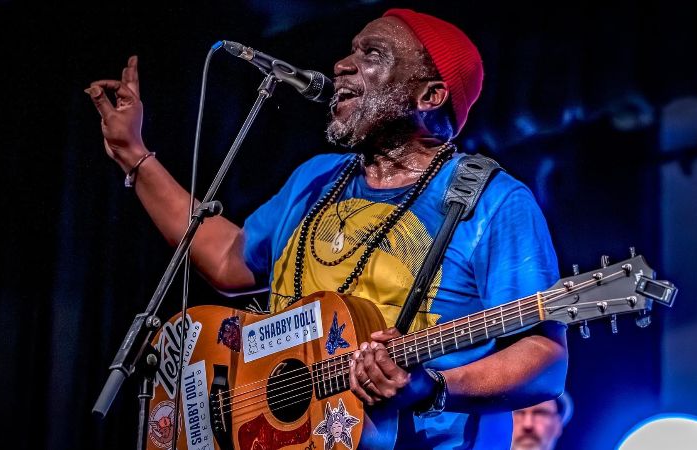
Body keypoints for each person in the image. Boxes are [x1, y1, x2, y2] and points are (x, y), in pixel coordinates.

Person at [86, 7, 568, 449]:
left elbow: (544, 360)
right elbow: (227, 258)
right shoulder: (316, 179)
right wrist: (134, 154)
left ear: (430, 95)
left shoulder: (493, 201)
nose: (341, 65)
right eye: (351, 50)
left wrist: (433, 387)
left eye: (372, 54)